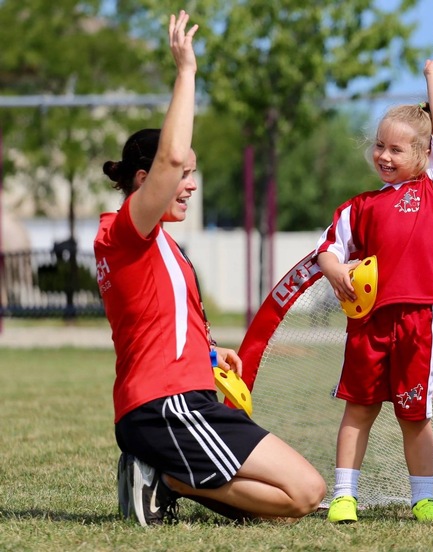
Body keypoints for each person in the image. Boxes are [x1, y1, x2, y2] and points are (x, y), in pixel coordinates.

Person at [94, 10, 325, 527]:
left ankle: (164, 476)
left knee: (300, 499)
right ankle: (163, 476)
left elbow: (153, 318)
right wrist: (186, 73)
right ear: (143, 179)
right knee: (302, 496)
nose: (189, 182)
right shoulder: (122, 233)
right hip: (164, 406)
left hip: (187, 398)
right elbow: (171, 157)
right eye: (184, 174)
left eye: (193, 173)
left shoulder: (161, 247)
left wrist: (207, 350)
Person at [315, 40, 433, 524]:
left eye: (396, 148)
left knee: (414, 416)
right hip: (368, 324)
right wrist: (333, 266)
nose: (383, 154)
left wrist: (431, 75)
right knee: (359, 410)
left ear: (424, 155)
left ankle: (423, 497)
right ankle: (343, 495)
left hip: (419, 319)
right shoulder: (360, 206)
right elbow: (328, 248)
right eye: (379, 145)